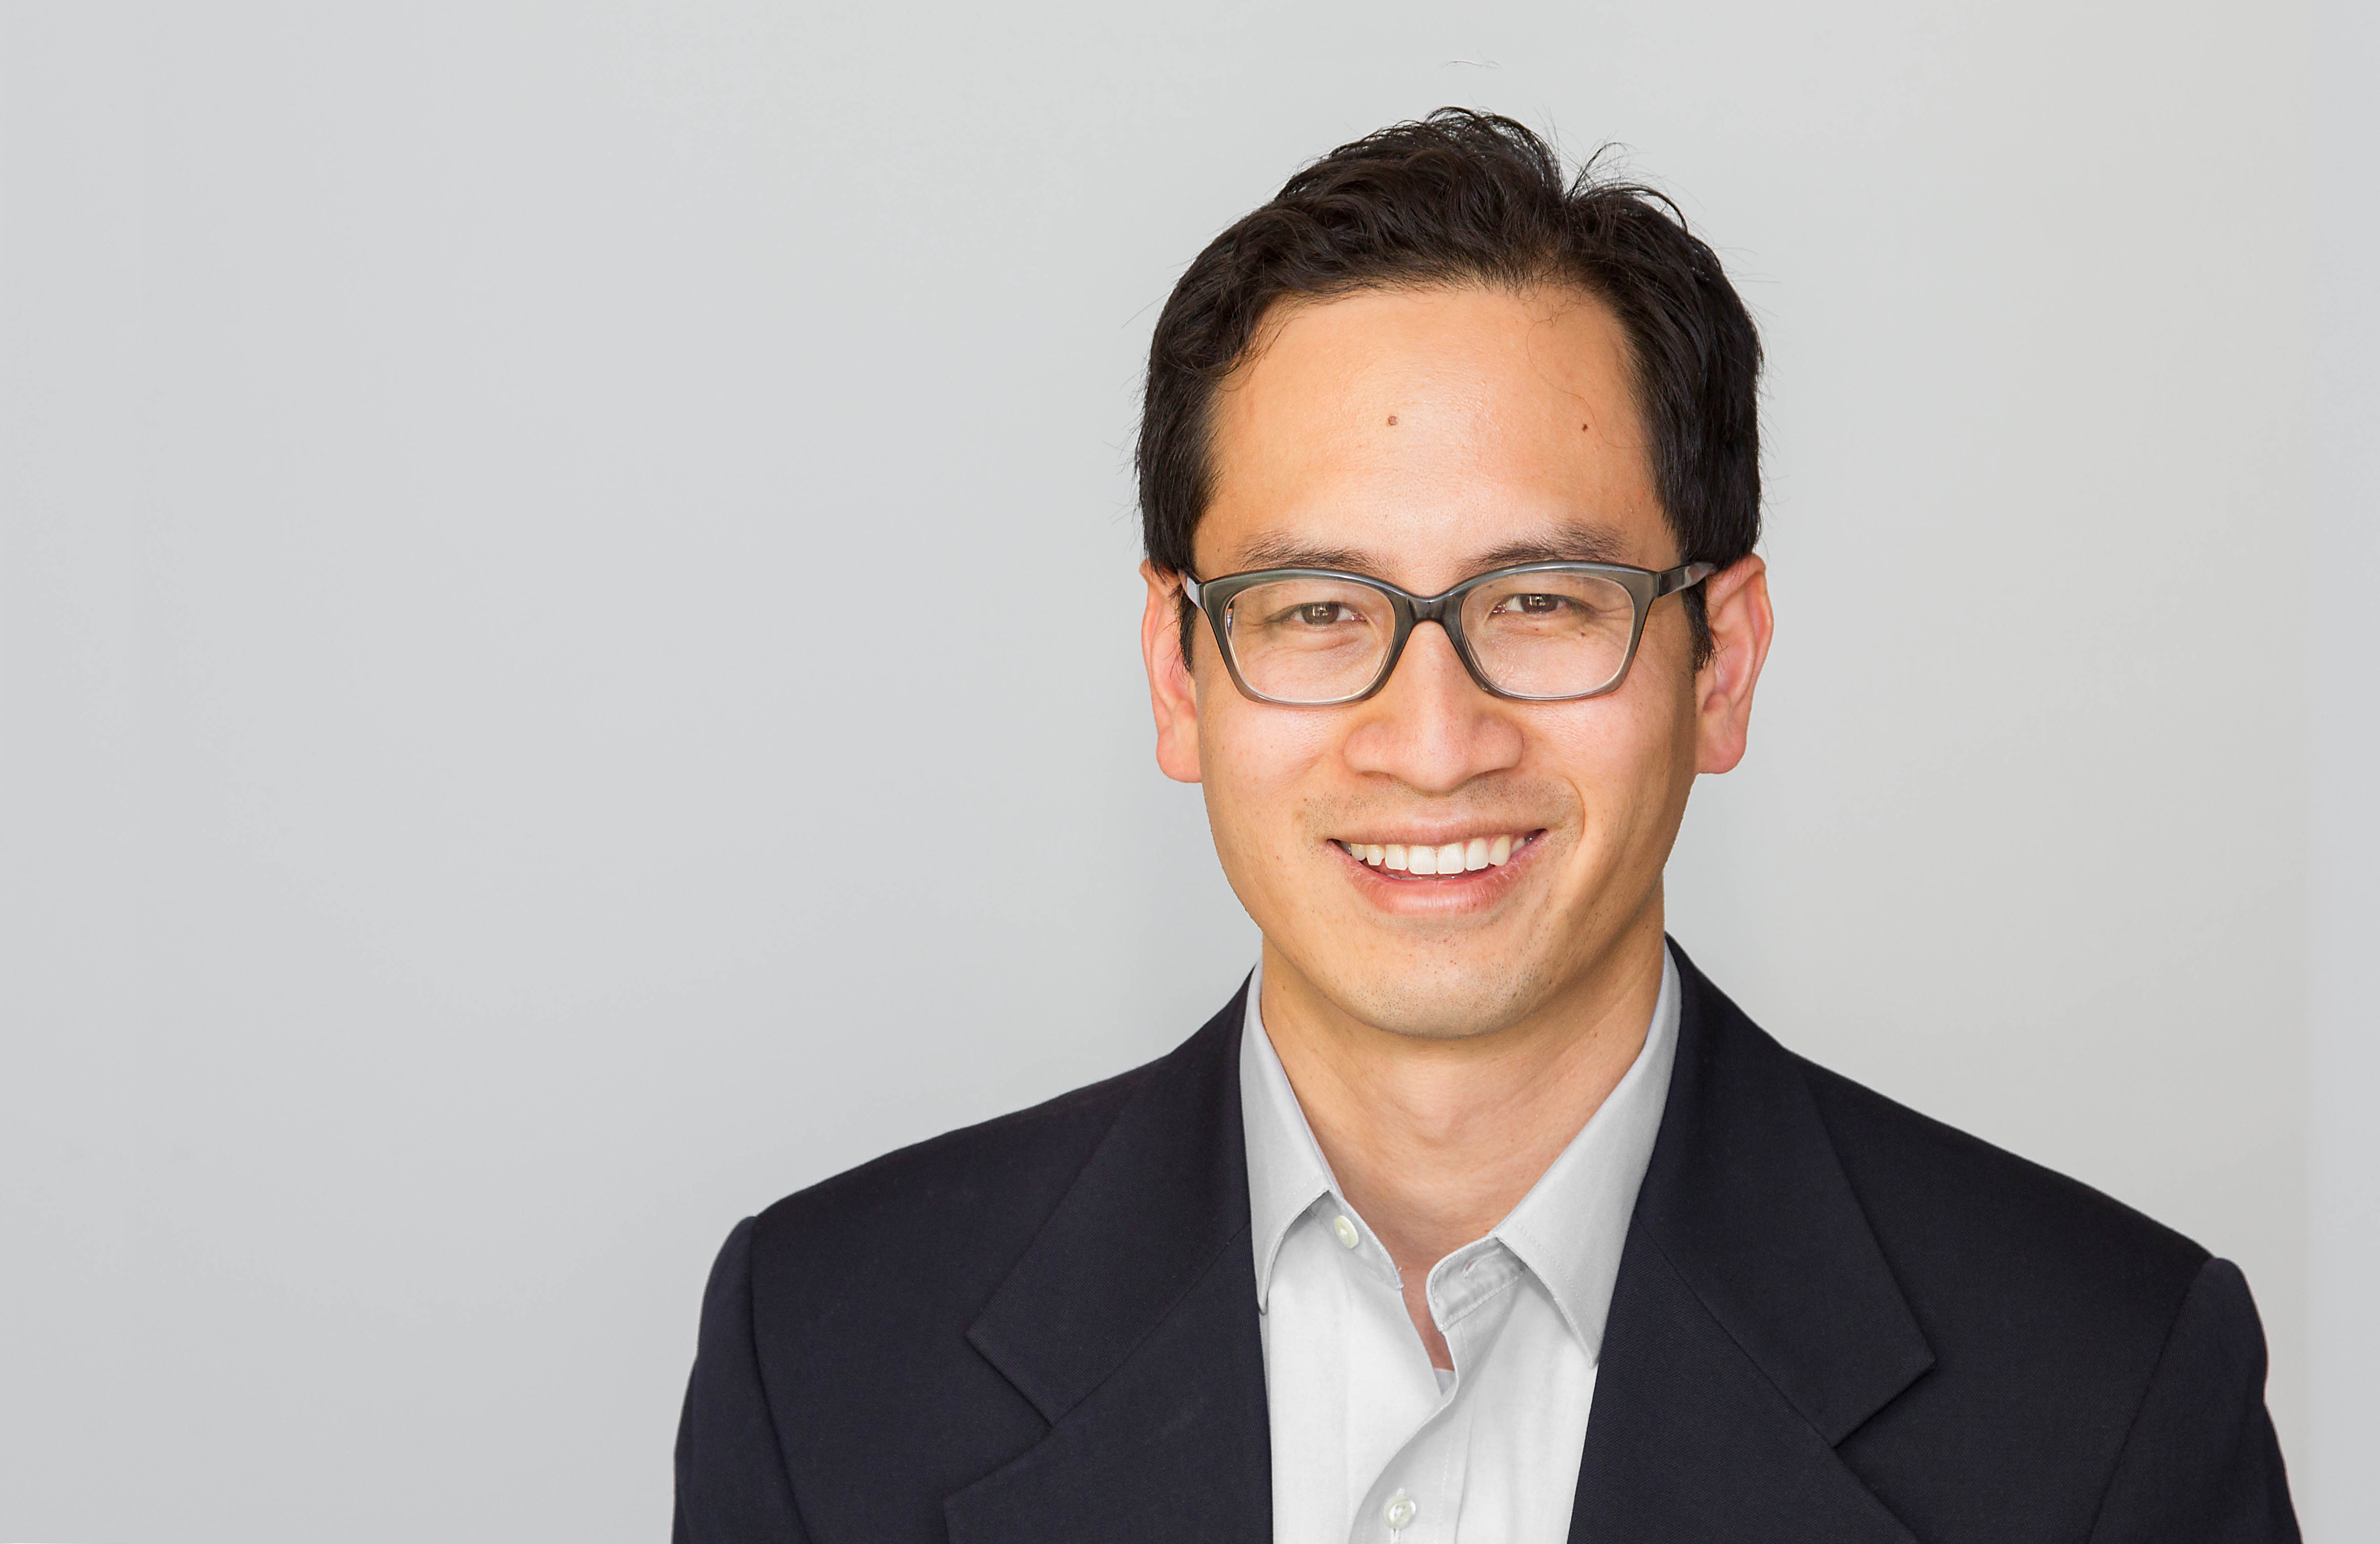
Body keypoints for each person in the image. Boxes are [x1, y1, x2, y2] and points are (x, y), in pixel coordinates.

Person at [671, 110, 2298, 1544]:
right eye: (1315, 609)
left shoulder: (2108, 1392)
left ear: (1717, 665)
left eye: (1540, 599)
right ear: (1179, 675)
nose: (1433, 743)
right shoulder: (822, 1351)